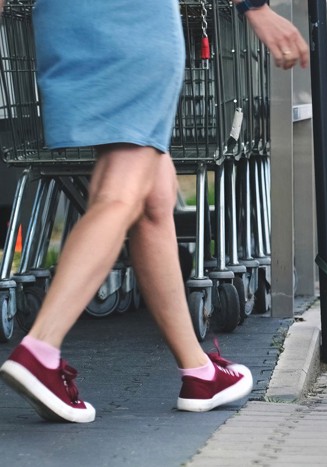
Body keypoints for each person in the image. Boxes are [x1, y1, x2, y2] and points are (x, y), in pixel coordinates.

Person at [0, 0, 309, 423]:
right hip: (132, 22)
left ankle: (199, 371)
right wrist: (254, 7)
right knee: (120, 193)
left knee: (152, 199)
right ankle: (40, 349)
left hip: (64, 22)